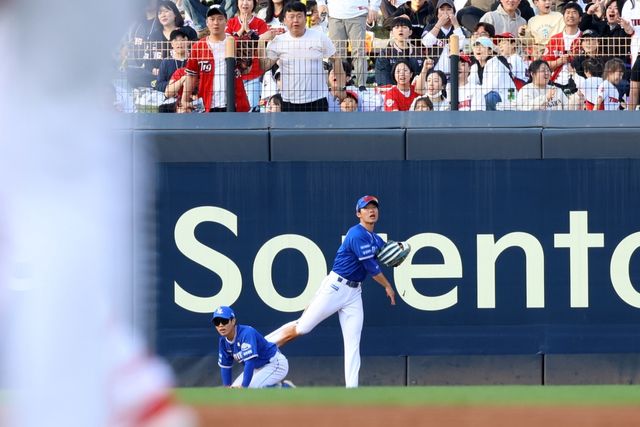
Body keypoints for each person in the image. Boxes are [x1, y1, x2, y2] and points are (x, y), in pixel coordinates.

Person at [265, 196, 397, 388]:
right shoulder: (356, 234)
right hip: (336, 287)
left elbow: (387, 252)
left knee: (353, 343)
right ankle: (262, 345)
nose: (371, 210)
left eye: (374, 207)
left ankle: (352, 391)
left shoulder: (375, 239)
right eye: (366, 208)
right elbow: (371, 266)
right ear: (358, 213)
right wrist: (387, 285)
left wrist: (399, 250)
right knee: (302, 327)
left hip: (354, 293)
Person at [259, 1, 344, 111]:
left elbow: (336, 59)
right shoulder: (278, 41)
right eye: (291, 17)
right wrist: (261, 41)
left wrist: (340, 87)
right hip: (289, 101)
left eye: (299, 16)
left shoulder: (319, 37)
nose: (295, 20)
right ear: (284, 20)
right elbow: (264, 66)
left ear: (305, 18)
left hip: (317, 100)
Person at [180, 5, 251, 112]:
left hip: (235, 103)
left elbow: (247, 69)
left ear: (226, 21)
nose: (216, 23)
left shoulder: (236, 43)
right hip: (207, 104)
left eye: (220, 19)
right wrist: (184, 99)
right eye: (212, 19)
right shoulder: (198, 46)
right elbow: (191, 75)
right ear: (206, 22)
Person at [212, 306, 294, 388]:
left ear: (233, 321)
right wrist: (227, 388)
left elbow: (250, 362)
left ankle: (285, 387)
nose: (220, 325)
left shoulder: (246, 333)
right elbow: (225, 367)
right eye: (217, 322)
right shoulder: (223, 341)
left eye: (224, 321)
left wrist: (244, 387)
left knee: (249, 389)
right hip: (256, 367)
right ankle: (275, 386)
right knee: (234, 390)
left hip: (274, 363)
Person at [315, 0, 379, 89]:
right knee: (336, 55)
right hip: (334, 14)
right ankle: (338, 86)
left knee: (359, 52)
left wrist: (374, 6)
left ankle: (361, 86)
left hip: (357, 12)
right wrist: (321, 3)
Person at [226, 0, 270, 110]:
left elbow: (261, 45)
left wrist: (249, 31)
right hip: (233, 76)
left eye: (249, 0)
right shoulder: (230, 23)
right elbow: (226, 45)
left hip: (253, 76)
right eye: (242, 0)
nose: (245, 3)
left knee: (251, 109)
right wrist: (241, 30)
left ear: (254, 3)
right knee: (233, 109)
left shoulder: (260, 23)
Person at [420, 0, 468, 77]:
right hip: (434, 74)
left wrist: (456, 24)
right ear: (437, 13)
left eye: (449, 9)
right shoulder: (430, 27)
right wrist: (439, 24)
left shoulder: (458, 29)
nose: (445, 12)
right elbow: (426, 43)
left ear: (454, 12)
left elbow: (464, 46)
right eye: (442, 9)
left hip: (454, 75)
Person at [469, 36, 517, 109]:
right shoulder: (474, 67)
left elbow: (491, 86)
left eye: (482, 46)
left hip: (509, 97)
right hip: (489, 95)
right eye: (476, 46)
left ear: (490, 51)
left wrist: (476, 92)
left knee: (490, 97)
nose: (478, 49)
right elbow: (471, 84)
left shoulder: (496, 64)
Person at [375, 16, 425, 86]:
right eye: (397, 27)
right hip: (392, 91)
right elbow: (383, 79)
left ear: (410, 32)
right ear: (392, 32)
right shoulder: (385, 54)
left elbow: (424, 75)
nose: (400, 30)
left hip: (415, 90)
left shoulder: (419, 52)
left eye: (404, 27)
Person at [542, 2, 583, 86]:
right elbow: (545, 65)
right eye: (568, 12)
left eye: (574, 12)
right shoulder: (555, 39)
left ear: (580, 18)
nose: (570, 15)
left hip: (580, 83)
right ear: (563, 17)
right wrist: (559, 61)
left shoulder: (584, 39)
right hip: (556, 82)